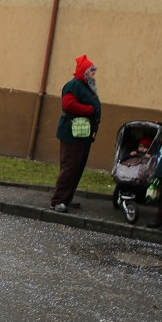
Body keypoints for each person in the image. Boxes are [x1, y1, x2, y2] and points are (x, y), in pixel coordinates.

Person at [51, 54, 101, 212]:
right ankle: (57, 200)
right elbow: (68, 105)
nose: (94, 74)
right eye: (92, 71)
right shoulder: (73, 86)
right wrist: (90, 110)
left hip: (84, 134)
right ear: (85, 72)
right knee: (70, 167)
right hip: (72, 134)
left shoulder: (87, 86)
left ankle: (67, 197)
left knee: (78, 167)